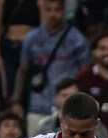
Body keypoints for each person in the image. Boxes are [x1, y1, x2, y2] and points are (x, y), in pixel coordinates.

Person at [10, 0, 91, 131]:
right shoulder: (32, 38)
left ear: (64, 11)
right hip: (37, 106)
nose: (53, 14)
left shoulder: (78, 39)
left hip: (67, 108)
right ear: (43, 10)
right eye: (49, 10)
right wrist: (16, 101)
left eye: (57, 10)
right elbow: (23, 70)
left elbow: (85, 75)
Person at [34, 78, 108, 138]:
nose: (69, 100)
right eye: (64, 95)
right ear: (56, 98)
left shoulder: (96, 127)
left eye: (73, 96)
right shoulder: (44, 126)